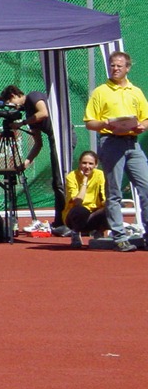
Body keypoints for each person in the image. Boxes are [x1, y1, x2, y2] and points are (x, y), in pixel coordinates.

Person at [83, 51, 148, 252]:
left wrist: (142, 126)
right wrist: (106, 124)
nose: (115, 69)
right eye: (112, 65)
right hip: (111, 142)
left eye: (119, 66)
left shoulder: (135, 91)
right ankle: (119, 236)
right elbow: (90, 122)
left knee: (146, 188)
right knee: (114, 192)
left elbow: (145, 118)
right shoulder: (100, 92)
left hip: (133, 144)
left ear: (127, 68)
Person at [0, 84, 64, 231]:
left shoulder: (33, 96)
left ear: (14, 95)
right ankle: (59, 221)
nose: (13, 107)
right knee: (56, 183)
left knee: (60, 182)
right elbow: (38, 143)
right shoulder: (28, 113)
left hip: (62, 137)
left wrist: (21, 123)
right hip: (53, 139)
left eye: (11, 103)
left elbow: (43, 113)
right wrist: (25, 163)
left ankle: (66, 222)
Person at [63, 151, 108, 248]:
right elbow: (78, 202)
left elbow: (103, 198)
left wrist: (110, 204)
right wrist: (85, 180)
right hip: (75, 214)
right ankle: (75, 232)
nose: (87, 166)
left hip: (93, 213)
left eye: (91, 164)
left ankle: (99, 232)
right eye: (84, 163)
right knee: (80, 210)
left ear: (96, 165)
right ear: (79, 163)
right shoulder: (71, 176)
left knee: (111, 209)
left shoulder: (100, 175)